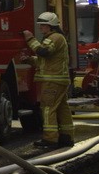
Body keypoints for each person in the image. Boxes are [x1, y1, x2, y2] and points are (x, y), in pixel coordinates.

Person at [23, 11, 74, 148]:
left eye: (43, 25)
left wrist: (30, 39)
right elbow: (45, 60)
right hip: (58, 79)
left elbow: (44, 52)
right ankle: (66, 136)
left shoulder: (54, 37)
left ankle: (50, 139)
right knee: (62, 108)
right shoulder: (57, 38)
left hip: (53, 81)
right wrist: (30, 60)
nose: (41, 28)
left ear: (51, 26)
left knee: (47, 108)